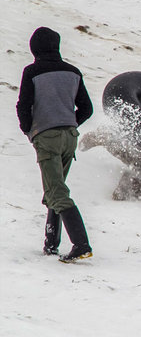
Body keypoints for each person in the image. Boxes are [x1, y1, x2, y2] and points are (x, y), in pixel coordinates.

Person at [16, 27, 94, 262]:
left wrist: (30, 130)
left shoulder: (32, 71)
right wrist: (70, 123)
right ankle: (51, 244)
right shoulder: (73, 72)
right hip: (69, 137)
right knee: (55, 188)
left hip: (47, 137)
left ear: (34, 48)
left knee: (57, 192)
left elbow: (23, 105)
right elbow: (87, 109)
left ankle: (81, 245)